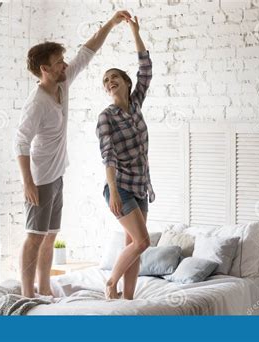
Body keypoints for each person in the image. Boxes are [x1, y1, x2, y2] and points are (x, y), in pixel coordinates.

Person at [14, 11, 132, 298]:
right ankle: (27, 294)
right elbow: (20, 142)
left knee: (50, 235)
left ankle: (44, 288)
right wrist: (28, 183)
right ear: (45, 69)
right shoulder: (36, 103)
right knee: (33, 237)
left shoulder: (62, 84)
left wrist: (113, 23)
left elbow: (87, 51)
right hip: (40, 179)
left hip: (57, 175)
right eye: (58, 63)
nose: (64, 65)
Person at [96, 16, 155, 300]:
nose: (109, 82)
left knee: (133, 243)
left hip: (140, 187)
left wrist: (135, 32)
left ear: (126, 83)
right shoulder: (106, 117)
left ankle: (129, 300)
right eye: (106, 80)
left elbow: (146, 68)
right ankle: (111, 283)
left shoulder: (135, 105)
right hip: (119, 188)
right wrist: (114, 192)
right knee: (143, 241)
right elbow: (108, 156)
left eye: (114, 77)